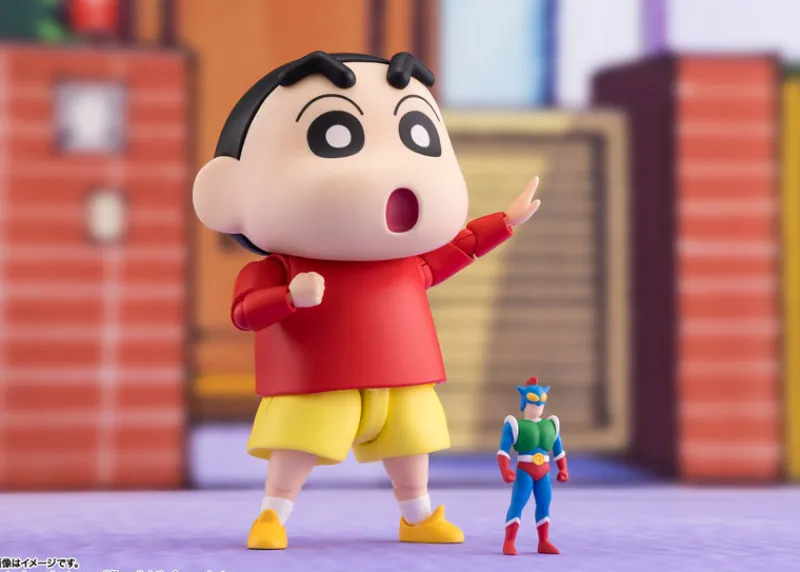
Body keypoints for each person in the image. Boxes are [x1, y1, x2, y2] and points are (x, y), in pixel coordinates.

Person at [193, 50, 543, 550]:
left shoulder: (406, 266)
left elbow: (459, 248)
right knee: (298, 443)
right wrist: (287, 296)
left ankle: (417, 515)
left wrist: (503, 222)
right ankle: (272, 514)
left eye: (419, 136)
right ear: (227, 192)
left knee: (412, 441)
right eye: (333, 136)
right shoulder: (280, 269)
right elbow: (244, 313)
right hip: (316, 377)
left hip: (402, 374)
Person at [497, 376, 569, 555]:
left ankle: (544, 541)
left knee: (544, 504)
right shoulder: (515, 425)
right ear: (524, 403)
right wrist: (505, 470)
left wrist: (563, 468)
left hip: (544, 471)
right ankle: (509, 541)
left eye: (541, 402)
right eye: (533, 402)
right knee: (518, 503)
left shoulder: (551, 424)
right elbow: (503, 451)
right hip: (525, 470)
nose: (537, 406)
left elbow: (558, 450)